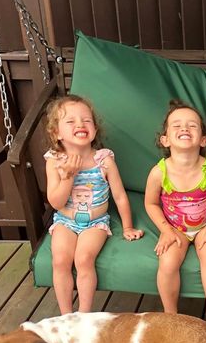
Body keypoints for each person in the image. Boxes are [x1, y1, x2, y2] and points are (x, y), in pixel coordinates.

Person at [44, 95, 143, 314]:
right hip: (65, 221)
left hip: (95, 223)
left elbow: (119, 196)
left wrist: (127, 227)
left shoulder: (104, 161)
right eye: (71, 121)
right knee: (60, 260)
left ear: (95, 130)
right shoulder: (55, 162)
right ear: (57, 133)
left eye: (86, 120)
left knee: (84, 259)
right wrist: (68, 176)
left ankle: (84, 315)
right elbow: (56, 202)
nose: (80, 124)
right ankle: (66, 315)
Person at [144, 100, 206, 335]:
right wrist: (165, 230)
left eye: (192, 125)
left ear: (203, 140)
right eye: (177, 125)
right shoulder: (159, 172)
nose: (184, 128)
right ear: (165, 140)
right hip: (175, 228)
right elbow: (151, 203)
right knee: (168, 262)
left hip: (204, 226)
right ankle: (170, 315)